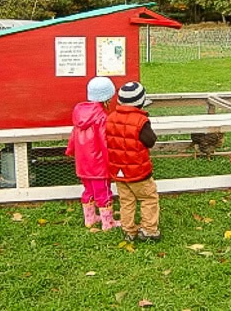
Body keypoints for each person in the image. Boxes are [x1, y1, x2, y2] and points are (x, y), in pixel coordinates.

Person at [106, 81, 160, 242]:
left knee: (126, 200)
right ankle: (149, 230)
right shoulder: (141, 121)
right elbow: (150, 141)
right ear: (141, 102)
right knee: (148, 198)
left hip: (118, 170)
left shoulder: (110, 118)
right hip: (138, 172)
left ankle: (128, 230)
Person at [66, 76, 120, 231]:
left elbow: (73, 135)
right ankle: (107, 223)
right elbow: (104, 142)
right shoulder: (102, 117)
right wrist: (112, 159)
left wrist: (71, 151)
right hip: (98, 164)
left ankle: (90, 219)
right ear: (107, 97)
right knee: (103, 192)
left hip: (83, 162)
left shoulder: (80, 114)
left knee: (88, 190)